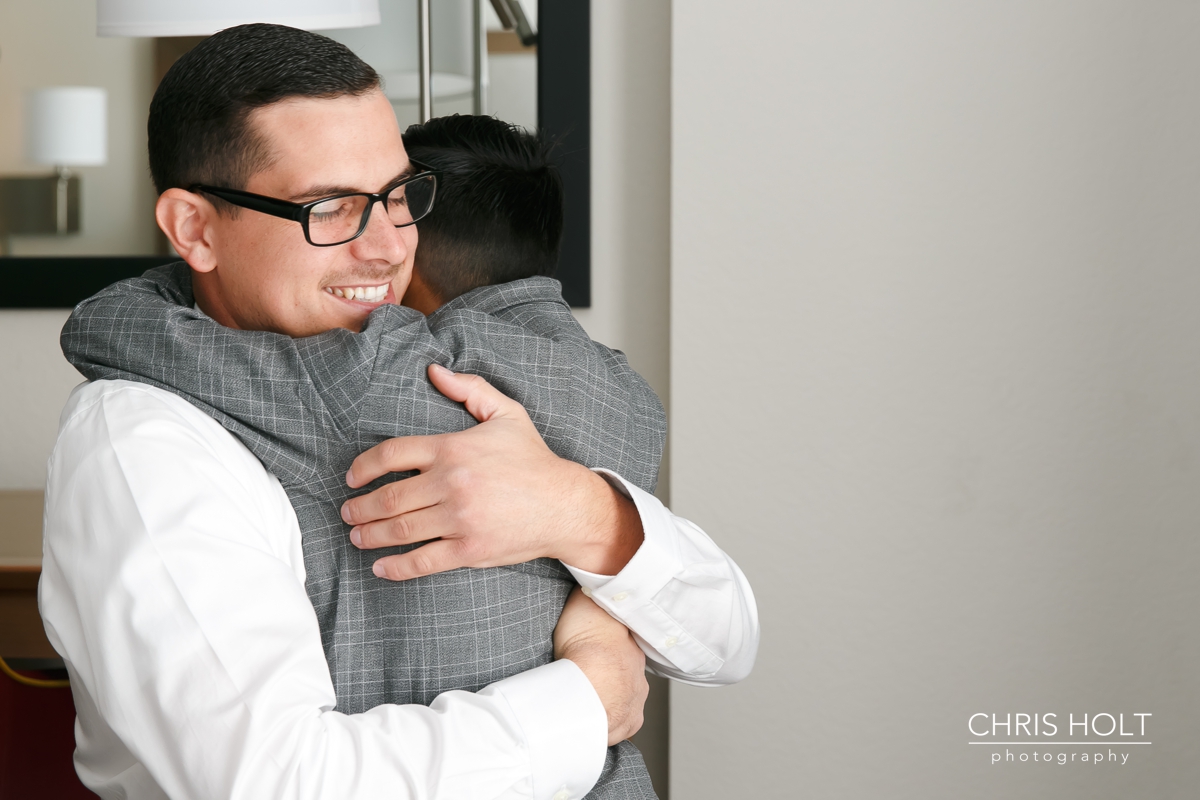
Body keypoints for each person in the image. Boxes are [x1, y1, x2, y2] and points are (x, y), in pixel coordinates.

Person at [40, 23, 758, 800]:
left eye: (396, 196)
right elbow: (273, 783)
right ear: (195, 228)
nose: (387, 248)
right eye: (332, 207)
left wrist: (578, 511)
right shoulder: (145, 443)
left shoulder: (446, 366)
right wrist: (587, 699)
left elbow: (727, 640)